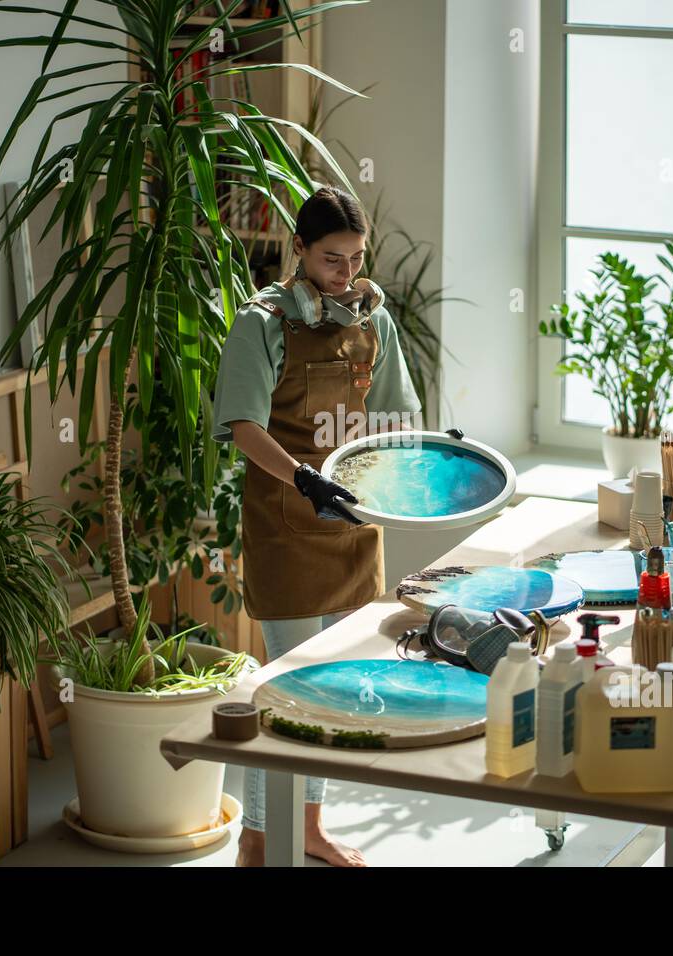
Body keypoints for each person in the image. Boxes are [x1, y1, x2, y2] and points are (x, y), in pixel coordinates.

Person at [210, 186, 422, 866]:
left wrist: (421, 458)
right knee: (287, 690)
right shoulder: (263, 321)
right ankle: (256, 839)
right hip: (287, 524)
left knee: (333, 691)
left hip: (354, 527)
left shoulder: (373, 322)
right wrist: (302, 478)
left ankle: (306, 830)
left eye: (357, 260)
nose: (347, 276)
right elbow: (242, 427)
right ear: (297, 250)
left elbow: (395, 416)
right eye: (332, 260)